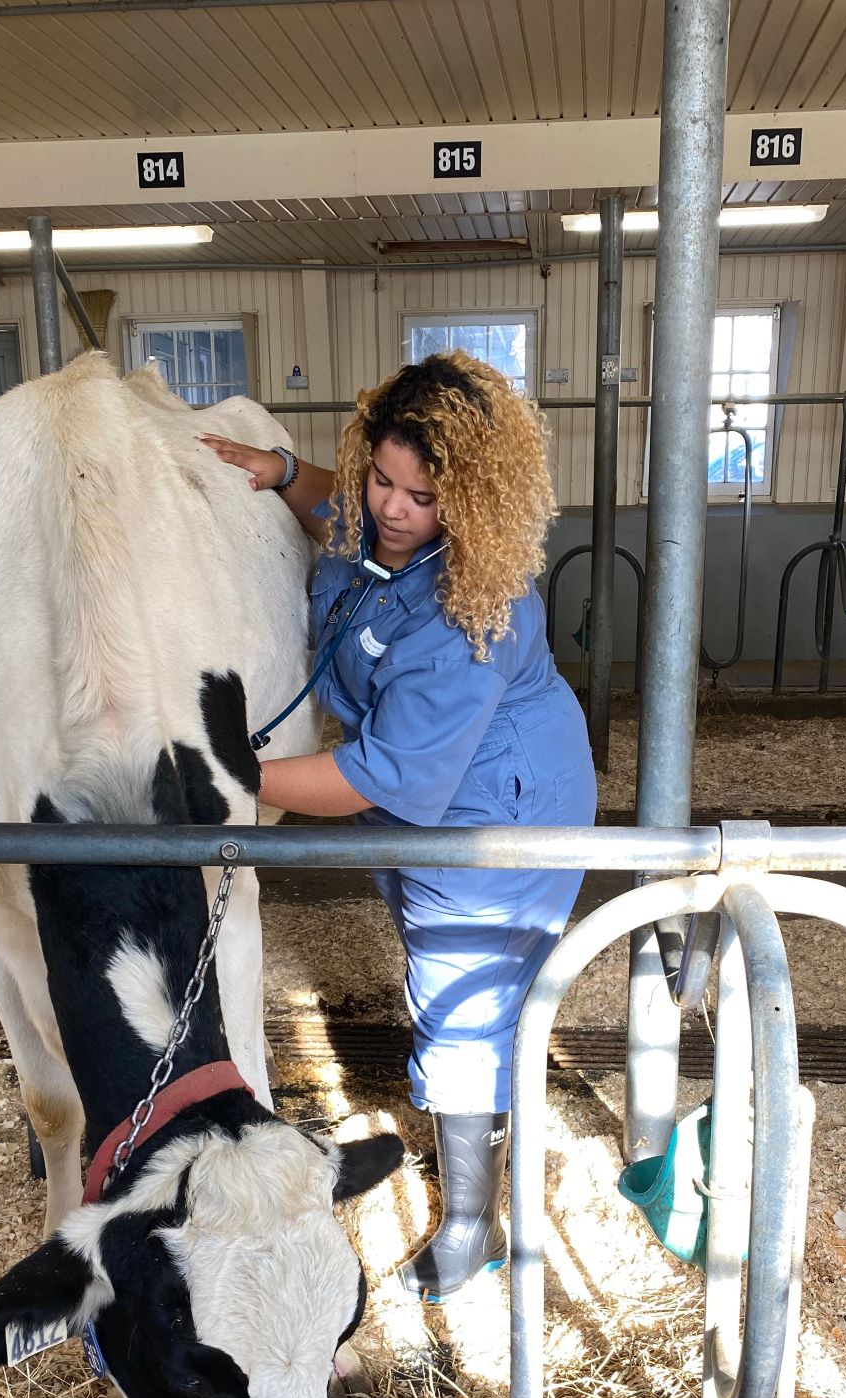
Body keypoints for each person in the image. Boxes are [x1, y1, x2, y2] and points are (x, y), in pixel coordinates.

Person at [200, 351, 596, 1301]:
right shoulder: (384, 530)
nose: (390, 506)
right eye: (382, 476)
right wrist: (286, 474)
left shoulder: (475, 613)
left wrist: (232, 777)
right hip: (432, 798)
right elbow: (347, 512)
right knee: (453, 972)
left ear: (470, 502)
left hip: (498, 811)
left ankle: (472, 1229)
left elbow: (382, 771)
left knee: (461, 1003)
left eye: (421, 495)